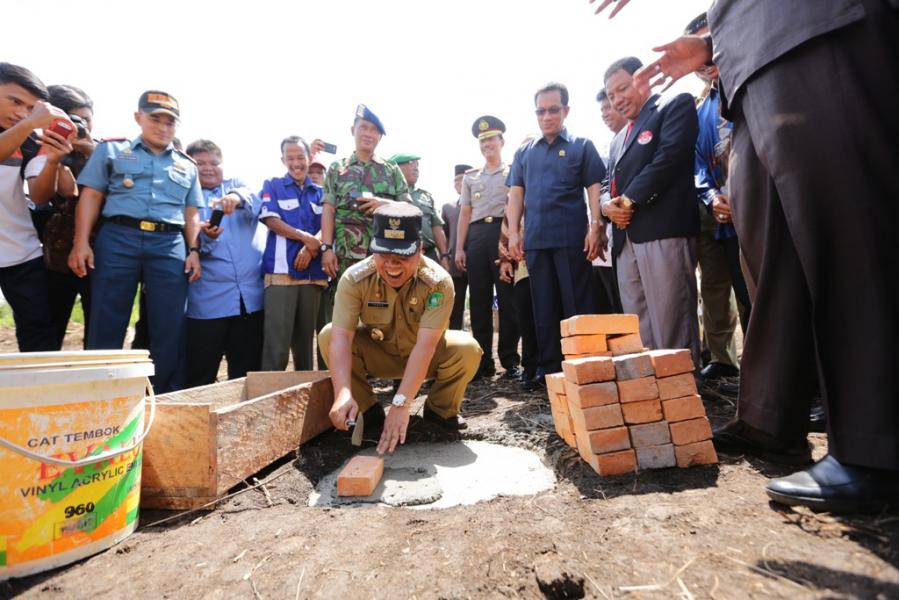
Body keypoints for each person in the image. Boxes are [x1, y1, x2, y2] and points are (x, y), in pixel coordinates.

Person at [616, 0, 899, 512]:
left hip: (810, 29)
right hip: (748, 71)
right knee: (774, 262)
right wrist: (714, 46)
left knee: (847, 231)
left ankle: (876, 444)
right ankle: (772, 418)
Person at [318, 203, 482, 455]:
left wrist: (401, 404)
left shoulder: (438, 282)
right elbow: (341, 338)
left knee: (467, 348)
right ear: (373, 250)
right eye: (383, 256)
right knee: (328, 334)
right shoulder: (354, 278)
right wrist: (342, 392)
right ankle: (366, 410)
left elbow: (426, 346)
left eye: (402, 257)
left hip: (425, 358)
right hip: (380, 355)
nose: (392, 265)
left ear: (420, 250)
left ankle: (440, 412)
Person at [70, 90, 203, 393]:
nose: (162, 127)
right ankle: (99, 395)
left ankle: (165, 396)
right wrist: (81, 243)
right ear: (138, 117)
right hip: (118, 238)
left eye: (170, 122)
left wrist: (194, 250)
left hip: (169, 244)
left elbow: (191, 212)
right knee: (107, 318)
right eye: (155, 118)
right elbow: (90, 196)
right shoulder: (112, 151)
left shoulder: (187, 165)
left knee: (169, 325)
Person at [602, 57, 701, 369]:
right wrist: (607, 206)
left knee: (671, 320)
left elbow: (670, 157)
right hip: (625, 238)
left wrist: (628, 201)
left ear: (642, 80)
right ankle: (649, 393)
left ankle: (681, 392)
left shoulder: (674, 105)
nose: (617, 99)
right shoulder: (618, 139)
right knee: (639, 323)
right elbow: (608, 182)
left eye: (622, 89)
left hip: (663, 229)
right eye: (610, 95)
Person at [506, 84, 606, 381]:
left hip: (572, 240)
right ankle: (549, 370)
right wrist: (513, 233)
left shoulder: (582, 146)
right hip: (536, 241)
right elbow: (515, 194)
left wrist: (595, 225)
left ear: (566, 110)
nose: (546, 116)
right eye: (541, 111)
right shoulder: (524, 152)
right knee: (544, 308)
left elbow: (593, 188)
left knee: (577, 304)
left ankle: (584, 366)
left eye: (553, 109)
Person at [684, 12, 743, 382]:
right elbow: (698, 165)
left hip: (758, 207)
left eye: (711, 45)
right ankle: (723, 358)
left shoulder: (747, 86)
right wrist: (711, 197)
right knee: (716, 286)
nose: (707, 60)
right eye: (698, 52)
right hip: (716, 211)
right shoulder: (700, 109)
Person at [0, 63, 71, 352]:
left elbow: (40, 196)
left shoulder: (30, 139)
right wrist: (29, 123)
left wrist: (54, 160)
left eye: (30, 108)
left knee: (38, 333)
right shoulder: (26, 129)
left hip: (20, 251)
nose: (21, 113)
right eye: (15, 101)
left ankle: (43, 396)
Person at [184, 139, 263, 386]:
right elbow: (190, 244)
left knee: (247, 374)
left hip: (250, 300)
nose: (208, 168)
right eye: (200, 163)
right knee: (201, 373)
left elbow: (255, 199)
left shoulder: (237, 185)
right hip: (208, 303)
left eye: (214, 162)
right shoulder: (187, 198)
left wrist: (234, 196)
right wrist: (204, 239)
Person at [455, 116, 521, 381]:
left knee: (508, 300)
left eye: (491, 139)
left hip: (503, 234)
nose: (487, 145)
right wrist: (460, 248)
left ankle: (510, 360)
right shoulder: (471, 178)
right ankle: (482, 362)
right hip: (478, 237)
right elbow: (464, 214)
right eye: (482, 141)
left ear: (502, 141)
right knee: (480, 300)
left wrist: (514, 238)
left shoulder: (513, 172)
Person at [259, 136, 327, 371]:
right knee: (277, 346)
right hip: (281, 275)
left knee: (305, 346)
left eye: (300, 157)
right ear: (282, 160)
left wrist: (312, 245)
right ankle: (268, 400)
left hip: (312, 275)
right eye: (290, 158)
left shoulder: (321, 192)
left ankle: (306, 400)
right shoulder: (272, 185)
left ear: (309, 158)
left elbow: (328, 225)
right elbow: (271, 220)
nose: (296, 163)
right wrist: (305, 238)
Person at [320, 104, 410, 281]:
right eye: (364, 127)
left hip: (385, 256)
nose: (369, 134)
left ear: (380, 137)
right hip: (345, 257)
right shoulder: (337, 169)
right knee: (346, 306)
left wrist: (386, 204)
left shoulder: (391, 170)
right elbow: (328, 210)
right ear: (353, 130)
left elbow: (408, 207)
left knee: (383, 305)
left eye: (375, 130)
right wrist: (326, 248)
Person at [40, 84, 97, 349]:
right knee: (50, 327)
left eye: (86, 118)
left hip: (100, 255)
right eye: (73, 119)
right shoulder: (43, 149)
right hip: (56, 256)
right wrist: (58, 159)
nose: (81, 125)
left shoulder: (106, 153)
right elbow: (59, 194)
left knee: (99, 329)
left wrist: (92, 155)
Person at [593, 88, 626, 314]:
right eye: (602, 108)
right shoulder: (609, 148)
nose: (605, 113)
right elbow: (604, 187)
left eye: (609, 106)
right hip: (613, 240)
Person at [389, 153, 450, 267]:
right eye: (410, 165)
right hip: (398, 255)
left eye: (417, 166)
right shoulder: (387, 195)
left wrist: (444, 256)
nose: (416, 168)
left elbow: (436, 226)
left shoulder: (425, 196)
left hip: (429, 255)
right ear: (396, 169)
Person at [441, 164, 471, 330]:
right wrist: (444, 257)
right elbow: (444, 235)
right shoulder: (448, 207)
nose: (458, 184)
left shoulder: (479, 205)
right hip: (455, 262)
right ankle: (455, 339)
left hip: (476, 257)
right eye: (455, 181)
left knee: (480, 301)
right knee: (455, 302)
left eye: (462, 180)